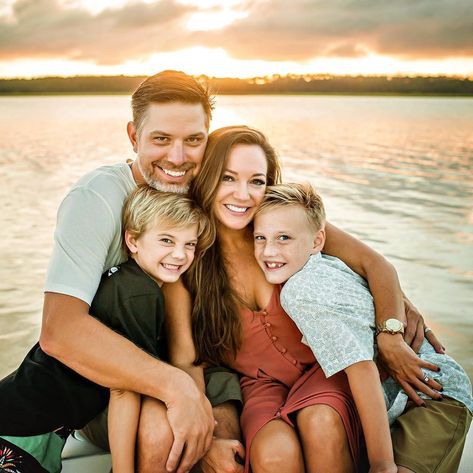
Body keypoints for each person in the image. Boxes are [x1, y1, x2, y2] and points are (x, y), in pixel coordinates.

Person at [163, 124, 439, 473]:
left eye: (257, 181)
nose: (243, 195)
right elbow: (187, 362)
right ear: (206, 179)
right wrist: (209, 435)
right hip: (261, 384)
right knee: (273, 454)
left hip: (329, 368)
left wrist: (391, 330)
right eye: (228, 178)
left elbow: (375, 264)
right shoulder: (188, 261)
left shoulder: (285, 232)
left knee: (321, 422)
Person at [38, 70, 244, 473]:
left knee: (227, 438)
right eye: (161, 139)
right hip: (111, 381)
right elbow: (58, 330)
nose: (178, 158)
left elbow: (299, 221)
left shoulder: (207, 183)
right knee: (161, 434)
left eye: (194, 140)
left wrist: (385, 288)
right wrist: (177, 388)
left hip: (189, 359)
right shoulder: (95, 199)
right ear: (134, 136)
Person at [253, 182, 473, 473]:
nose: (269, 250)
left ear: (318, 241)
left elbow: (362, 368)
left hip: (434, 393)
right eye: (260, 238)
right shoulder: (324, 264)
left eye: (284, 238)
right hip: (402, 394)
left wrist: (382, 464)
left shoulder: (301, 290)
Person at [0, 187, 213, 473]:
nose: (179, 254)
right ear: (133, 240)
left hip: (30, 416)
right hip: (22, 429)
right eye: (166, 240)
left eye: (190, 244)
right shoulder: (138, 294)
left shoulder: (128, 281)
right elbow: (125, 389)